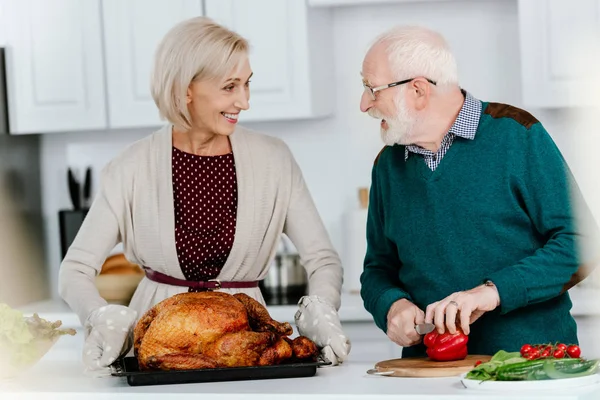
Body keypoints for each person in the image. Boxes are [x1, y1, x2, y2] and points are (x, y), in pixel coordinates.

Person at [58, 17, 350, 375]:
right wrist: (98, 315)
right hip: (161, 348)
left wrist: (322, 308)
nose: (244, 101)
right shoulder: (130, 167)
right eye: (230, 87)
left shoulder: (274, 159)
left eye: (246, 84)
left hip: (244, 343)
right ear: (185, 90)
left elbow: (323, 259)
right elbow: (74, 270)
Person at [359, 25, 599, 358]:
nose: (364, 104)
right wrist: (392, 306)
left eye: (372, 89)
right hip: (429, 374)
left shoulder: (517, 135)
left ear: (417, 91)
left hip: (532, 368)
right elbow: (377, 271)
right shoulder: (388, 165)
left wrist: (490, 293)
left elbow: (582, 242)